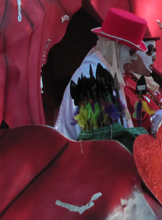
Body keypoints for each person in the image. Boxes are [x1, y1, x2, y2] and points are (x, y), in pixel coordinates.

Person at [53, 8, 144, 140]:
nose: (134, 58)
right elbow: (102, 147)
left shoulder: (104, 73)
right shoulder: (93, 81)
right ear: (115, 48)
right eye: (131, 52)